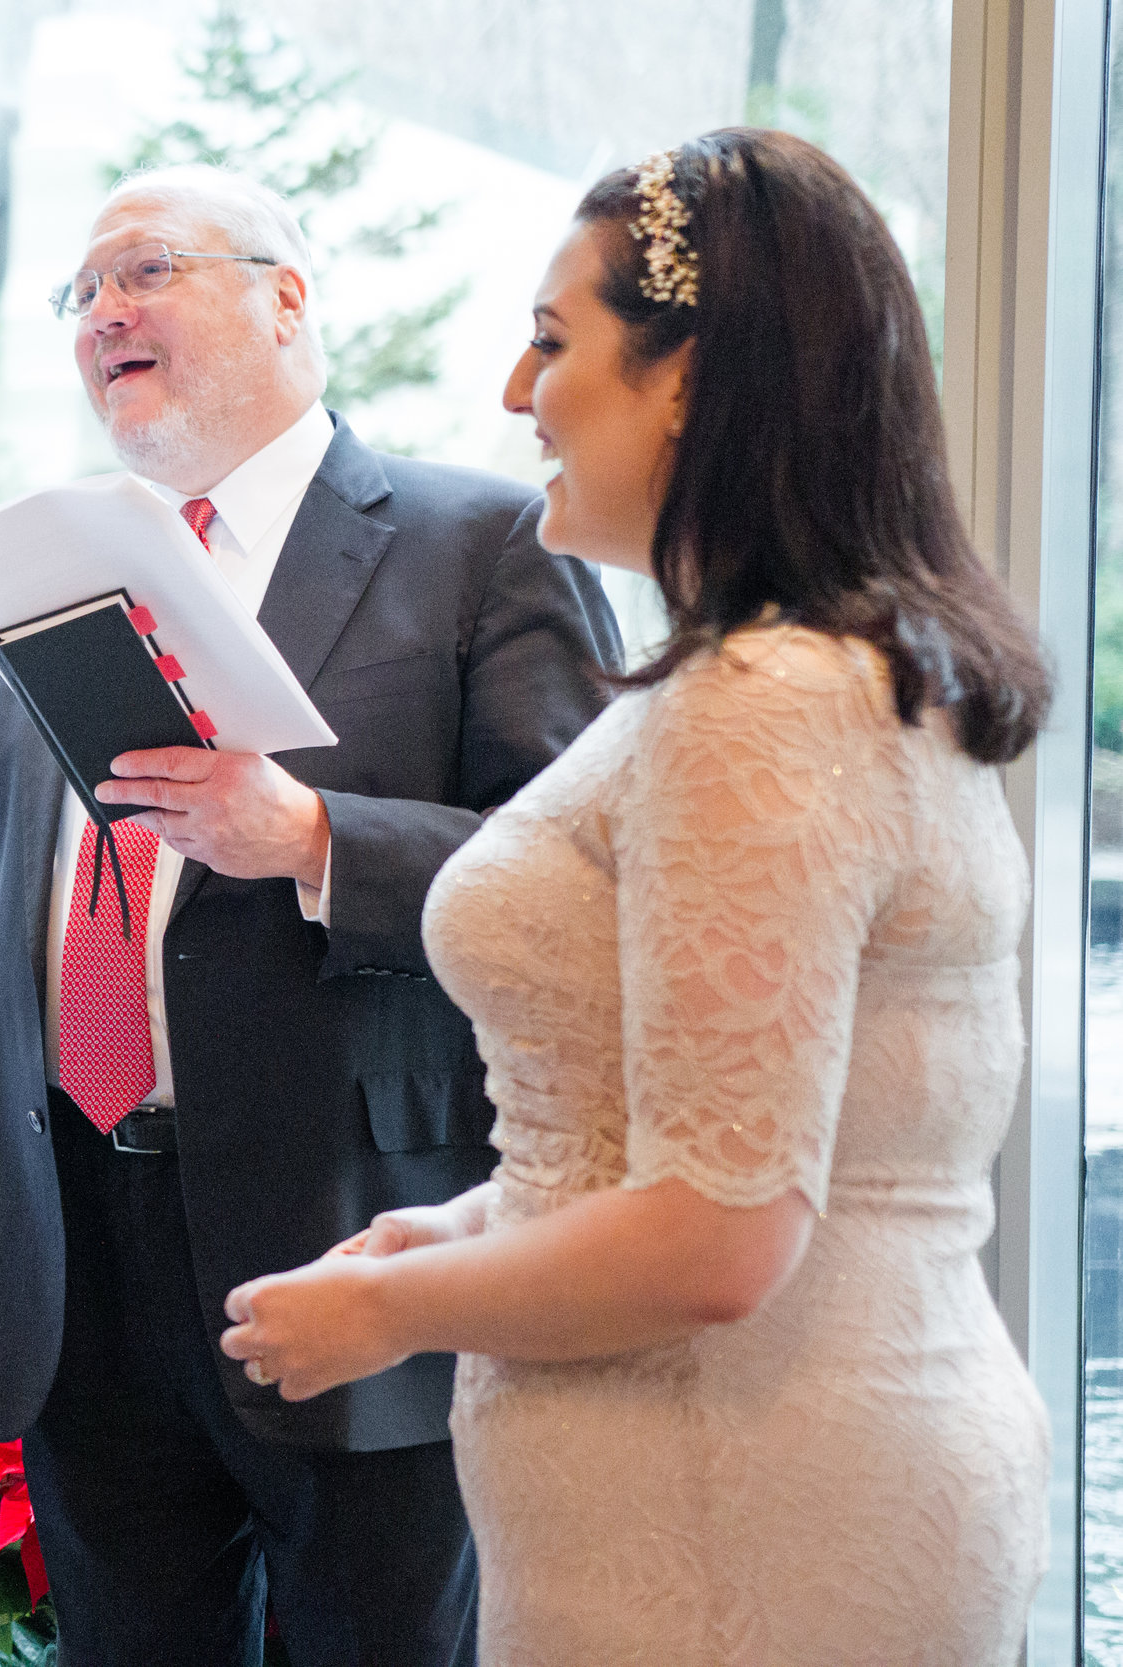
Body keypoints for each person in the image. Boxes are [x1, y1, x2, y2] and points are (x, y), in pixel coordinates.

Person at [216, 130, 1053, 1664]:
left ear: (689, 375)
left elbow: (717, 1239)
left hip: (751, 1517)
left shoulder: (769, 704)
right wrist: (448, 1231)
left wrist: (399, 1318)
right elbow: (705, 1133)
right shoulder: (783, 680)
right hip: (706, 1490)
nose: (515, 394)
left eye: (553, 341)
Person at [0, 163, 620, 1666]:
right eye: (79, 295)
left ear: (285, 297)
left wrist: (311, 840)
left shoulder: (481, 543)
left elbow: (584, 885)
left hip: (358, 1243)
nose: (103, 315)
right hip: (82, 1276)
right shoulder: (38, 587)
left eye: (143, 272)